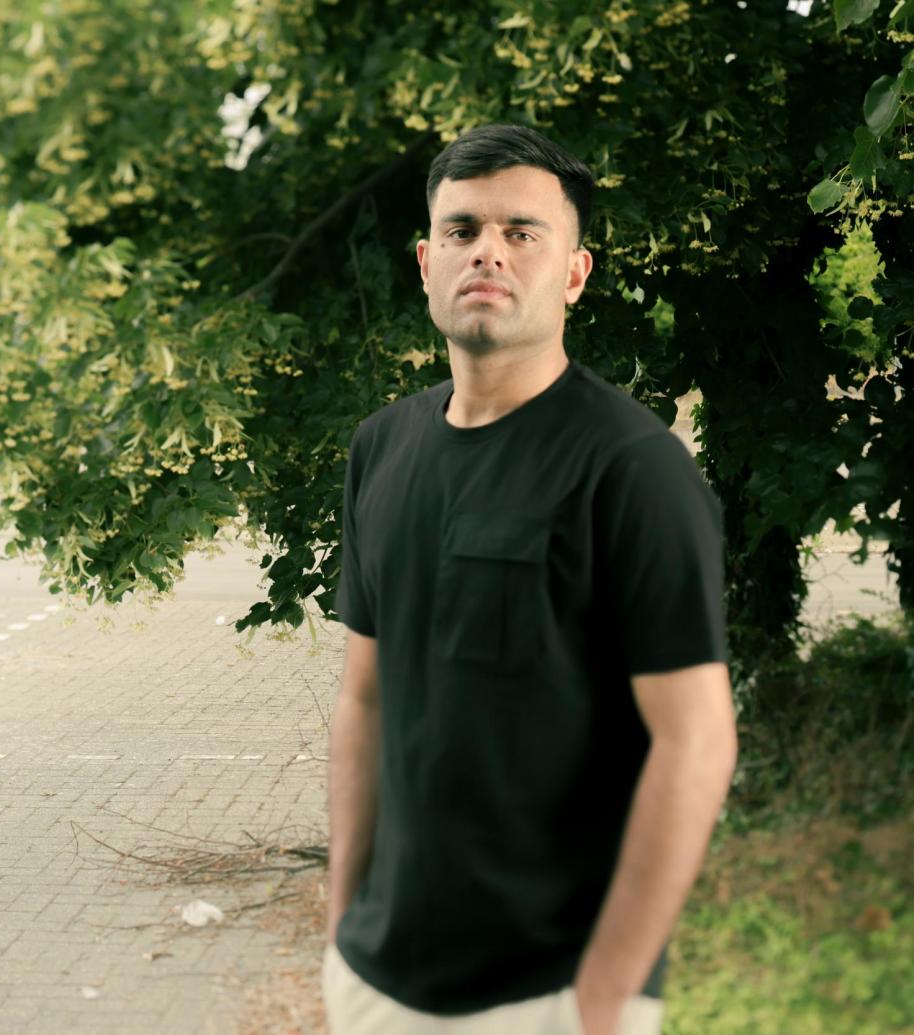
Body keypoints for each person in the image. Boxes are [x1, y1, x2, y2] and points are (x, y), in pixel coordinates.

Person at [323, 124, 738, 1035]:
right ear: (427, 260)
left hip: (546, 996)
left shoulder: (631, 466)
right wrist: (340, 924)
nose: (489, 253)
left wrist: (602, 997)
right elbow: (365, 699)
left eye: (522, 232)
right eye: (464, 230)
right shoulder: (380, 448)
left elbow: (698, 743)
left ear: (576, 273)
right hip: (378, 982)